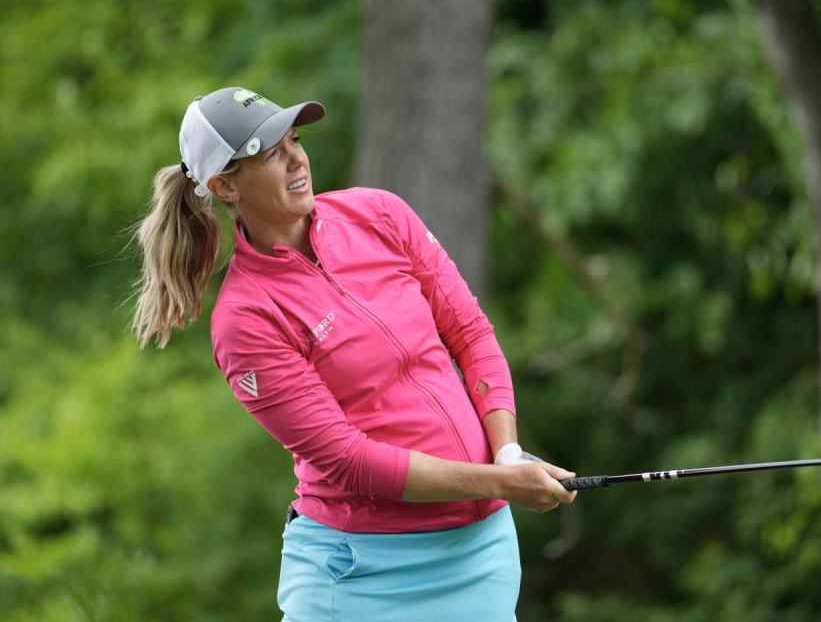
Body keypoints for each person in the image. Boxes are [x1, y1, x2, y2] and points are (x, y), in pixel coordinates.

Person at [130, 87, 577, 621]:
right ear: (225, 185)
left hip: (481, 550)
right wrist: (501, 481)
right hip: (364, 572)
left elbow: (472, 334)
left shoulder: (379, 214)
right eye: (271, 153)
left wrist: (505, 453)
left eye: (294, 140)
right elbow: (350, 460)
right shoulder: (246, 318)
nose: (297, 158)